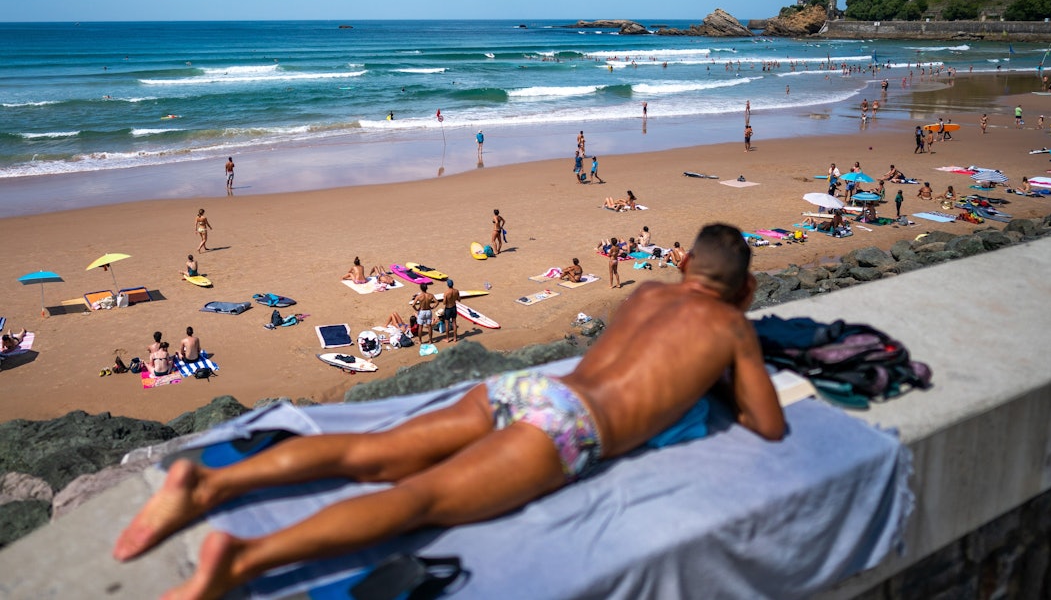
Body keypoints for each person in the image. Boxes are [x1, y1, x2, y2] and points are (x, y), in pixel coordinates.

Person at [113, 224, 785, 599]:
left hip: (524, 393)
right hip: (569, 427)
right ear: (743, 285)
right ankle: (242, 559)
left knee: (371, 452)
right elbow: (766, 421)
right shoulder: (729, 328)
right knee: (420, 501)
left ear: (685, 264)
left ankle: (208, 483)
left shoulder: (644, 293)